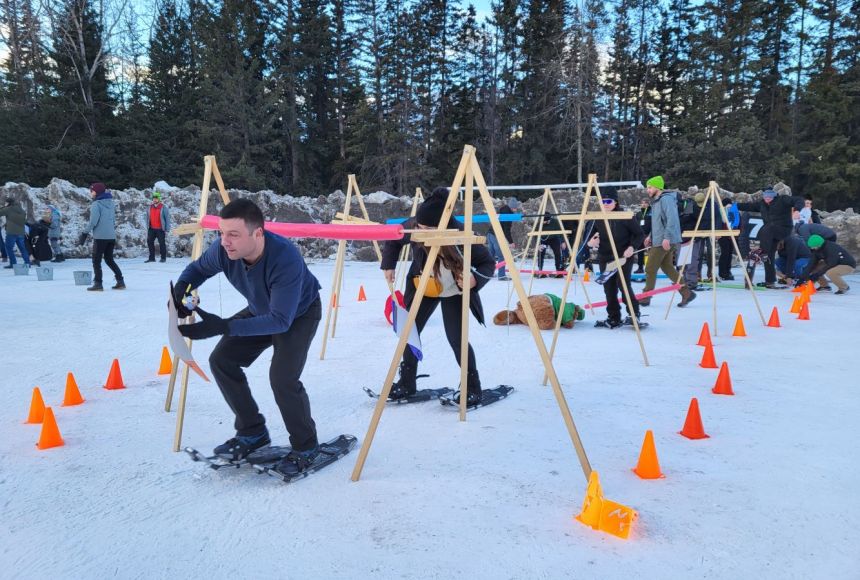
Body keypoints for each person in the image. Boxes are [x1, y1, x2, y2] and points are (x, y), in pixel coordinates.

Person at [173, 198, 324, 474]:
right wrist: (183, 288)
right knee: (222, 360)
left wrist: (224, 326)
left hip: (299, 314)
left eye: (233, 234)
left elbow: (280, 320)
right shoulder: (223, 251)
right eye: (221, 233)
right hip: (261, 309)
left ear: (258, 233)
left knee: (282, 379)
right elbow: (197, 270)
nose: (225, 241)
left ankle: (306, 445)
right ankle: (252, 430)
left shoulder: (285, 258)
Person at [381, 188, 496, 406]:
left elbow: (487, 263)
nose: (421, 232)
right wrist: (388, 263)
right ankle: (407, 382)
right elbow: (394, 237)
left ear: (443, 226)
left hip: (453, 290)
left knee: (456, 339)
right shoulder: (417, 223)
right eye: (419, 227)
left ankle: (472, 387)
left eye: (427, 229)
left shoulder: (461, 234)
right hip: (424, 287)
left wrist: (474, 280)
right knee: (409, 332)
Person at [587, 190, 645, 328]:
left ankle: (633, 314)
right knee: (609, 288)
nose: (605, 204)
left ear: (615, 202)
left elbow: (639, 234)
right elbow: (588, 237)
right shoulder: (597, 217)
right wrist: (591, 242)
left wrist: (632, 247)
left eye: (608, 201)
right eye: (603, 201)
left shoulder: (625, 216)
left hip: (623, 257)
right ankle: (614, 317)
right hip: (605, 257)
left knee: (623, 285)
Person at [640, 176, 695, 307]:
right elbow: (659, 222)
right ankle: (686, 292)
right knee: (667, 267)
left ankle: (646, 296)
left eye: (650, 187)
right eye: (647, 187)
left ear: (658, 187)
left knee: (650, 268)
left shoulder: (667, 200)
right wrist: (650, 236)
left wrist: (667, 238)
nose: (648, 190)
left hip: (664, 240)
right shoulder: (657, 201)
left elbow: (672, 219)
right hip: (659, 238)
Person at [735, 188, 804, 288]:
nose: (767, 199)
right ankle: (770, 280)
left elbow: (799, 200)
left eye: (770, 196)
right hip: (770, 235)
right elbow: (749, 206)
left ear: (774, 195)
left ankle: (762, 251)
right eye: (765, 196)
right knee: (769, 256)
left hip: (783, 229)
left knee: (767, 228)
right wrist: (735, 205)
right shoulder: (762, 204)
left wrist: (797, 210)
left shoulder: (782, 200)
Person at [78, 182, 125, 290]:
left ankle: (98, 284)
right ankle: (120, 281)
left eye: (92, 191)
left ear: (97, 192)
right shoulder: (111, 203)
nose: (91, 193)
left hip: (100, 237)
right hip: (111, 236)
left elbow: (93, 222)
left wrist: (84, 233)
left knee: (96, 261)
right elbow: (112, 220)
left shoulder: (96, 204)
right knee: (109, 260)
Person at [685, 192, 723, 288]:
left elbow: (718, 217)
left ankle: (710, 273)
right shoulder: (691, 205)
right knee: (698, 253)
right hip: (698, 230)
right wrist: (690, 231)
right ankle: (697, 274)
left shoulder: (713, 204)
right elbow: (688, 218)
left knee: (711, 252)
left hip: (711, 229)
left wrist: (717, 231)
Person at [486, 196, 520, 281]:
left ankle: (489, 273)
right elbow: (506, 230)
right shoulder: (507, 215)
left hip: (490, 234)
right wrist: (511, 242)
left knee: (491, 256)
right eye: (515, 208)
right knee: (501, 256)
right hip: (496, 235)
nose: (516, 210)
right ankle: (501, 275)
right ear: (512, 207)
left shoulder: (503, 209)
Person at [0, 197, 31, 268]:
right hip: (21, 233)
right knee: (22, 248)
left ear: (8, 203)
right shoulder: (21, 210)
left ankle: (13, 264)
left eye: (6, 202)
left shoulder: (8, 209)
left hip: (11, 232)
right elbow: (25, 221)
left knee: (9, 248)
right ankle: (27, 263)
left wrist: (4, 207)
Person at [538, 213, 566, 278]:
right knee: (541, 253)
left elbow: (561, 232)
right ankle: (540, 270)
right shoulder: (539, 223)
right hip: (543, 239)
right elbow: (535, 234)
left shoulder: (555, 222)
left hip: (554, 238)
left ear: (548, 220)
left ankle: (558, 270)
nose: (543, 222)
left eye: (544, 221)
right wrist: (538, 245)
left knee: (557, 253)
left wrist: (562, 242)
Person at [146, 191, 171, 262]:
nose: (154, 200)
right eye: (153, 198)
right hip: (151, 229)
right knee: (150, 242)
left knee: (162, 244)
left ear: (159, 199)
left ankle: (163, 258)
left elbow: (167, 218)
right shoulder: (150, 207)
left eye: (156, 198)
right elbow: (147, 217)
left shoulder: (163, 207)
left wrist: (167, 228)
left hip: (160, 229)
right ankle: (152, 258)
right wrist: (147, 226)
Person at [635, 198, 651, 273]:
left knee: (651, 253)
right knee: (640, 252)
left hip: (649, 235)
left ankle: (651, 268)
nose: (644, 204)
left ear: (648, 204)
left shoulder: (652, 213)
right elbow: (635, 224)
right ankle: (640, 267)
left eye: (645, 203)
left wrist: (650, 235)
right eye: (642, 203)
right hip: (640, 235)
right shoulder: (638, 214)